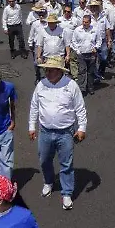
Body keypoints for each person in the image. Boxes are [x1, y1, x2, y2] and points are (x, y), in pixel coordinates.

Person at [28, 56, 87, 210]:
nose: (47, 73)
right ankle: (48, 182)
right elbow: (34, 106)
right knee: (44, 160)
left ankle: (66, 192)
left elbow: (80, 108)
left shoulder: (71, 85)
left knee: (66, 163)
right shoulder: (41, 85)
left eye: (50, 70)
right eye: (46, 70)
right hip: (45, 131)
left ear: (60, 71)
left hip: (65, 133)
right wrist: (31, 127)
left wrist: (81, 128)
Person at [70, 14, 98, 95]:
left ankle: (90, 87)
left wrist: (96, 47)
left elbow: (99, 40)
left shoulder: (95, 30)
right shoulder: (77, 30)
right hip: (81, 54)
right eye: (83, 22)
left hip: (92, 54)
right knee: (82, 71)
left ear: (89, 22)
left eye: (86, 22)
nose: (84, 23)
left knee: (91, 72)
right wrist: (77, 51)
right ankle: (81, 88)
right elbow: (73, 41)